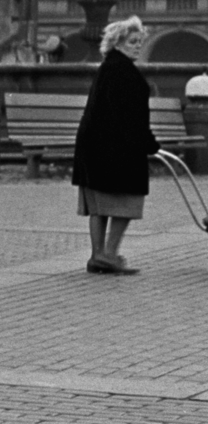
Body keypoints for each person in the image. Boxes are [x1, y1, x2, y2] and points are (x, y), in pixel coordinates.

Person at [73, 17, 159, 275]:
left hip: (95, 145)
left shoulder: (109, 67)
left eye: (140, 42)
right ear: (117, 43)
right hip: (116, 148)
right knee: (126, 200)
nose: (137, 46)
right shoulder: (124, 72)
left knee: (99, 203)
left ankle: (98, 255)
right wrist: (149, 142)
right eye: (132, 42)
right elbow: (131, 116)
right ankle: (109, 254)